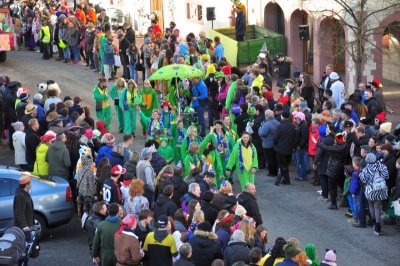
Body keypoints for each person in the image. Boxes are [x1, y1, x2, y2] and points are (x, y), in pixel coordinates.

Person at [359, 153, 389, 235]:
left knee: (371, 205)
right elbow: (386, 176)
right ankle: (378, 225)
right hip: (380, 188)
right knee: (377, 207)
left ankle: (373, 222)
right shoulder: (382, 166)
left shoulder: (366, 169)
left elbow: (363, 180)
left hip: (370, 189)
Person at [273, 111, 296, 185]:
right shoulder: (293, 126)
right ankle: (284, 178)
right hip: (289, 148)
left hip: (280, 149)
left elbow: (275, 138)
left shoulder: (280, 126)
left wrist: (276, 144)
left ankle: (286, 179)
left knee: (283, 165)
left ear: (282, 116)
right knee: (286, 164)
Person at [13, 175, 34, 240]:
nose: (31, 184)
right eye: (30, 182)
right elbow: (19, 212)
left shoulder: (25, 193)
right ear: (27, 185)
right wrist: (24, 226)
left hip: (27, 225)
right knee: (26, 246)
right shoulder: (20, 196)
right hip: (24, 228)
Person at [292, 111, 309, 181]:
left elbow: (304, 137)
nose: (295, 119)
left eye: (296, 117)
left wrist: (300, 146)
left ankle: (303, 176)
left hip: (300, 147)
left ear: (299, 118)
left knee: (300, 162)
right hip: (297, 146)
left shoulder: (303, 126)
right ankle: (300, 175)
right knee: (297, 161)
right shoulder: (298, 125)